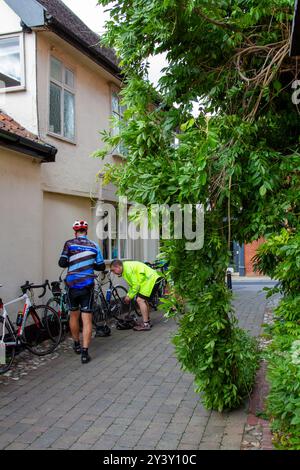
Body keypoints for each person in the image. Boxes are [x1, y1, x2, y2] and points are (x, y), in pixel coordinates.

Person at [58, 220, 105, 364]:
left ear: (75, 232)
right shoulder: (94, 245)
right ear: (87, 231)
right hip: (87, 286)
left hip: (72, 285)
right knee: (87, 319)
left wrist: (73, 261)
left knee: (73, 314)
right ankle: (85, 353)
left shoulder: (69, 244)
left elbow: (62, 263)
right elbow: (101, 266)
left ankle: (76, 344)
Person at [110, 260, 162, 331]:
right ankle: (147, 321)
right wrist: (128, 295)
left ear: (118, 267)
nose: (113, 273)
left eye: (113, 270)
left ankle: (146, 324)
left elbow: (136, 285)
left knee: (140, 300)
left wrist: (129, 296)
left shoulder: (127, 270)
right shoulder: (126, 268)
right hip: (152, 278)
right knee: (143, 299)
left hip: (150, 280)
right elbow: (132, 285)